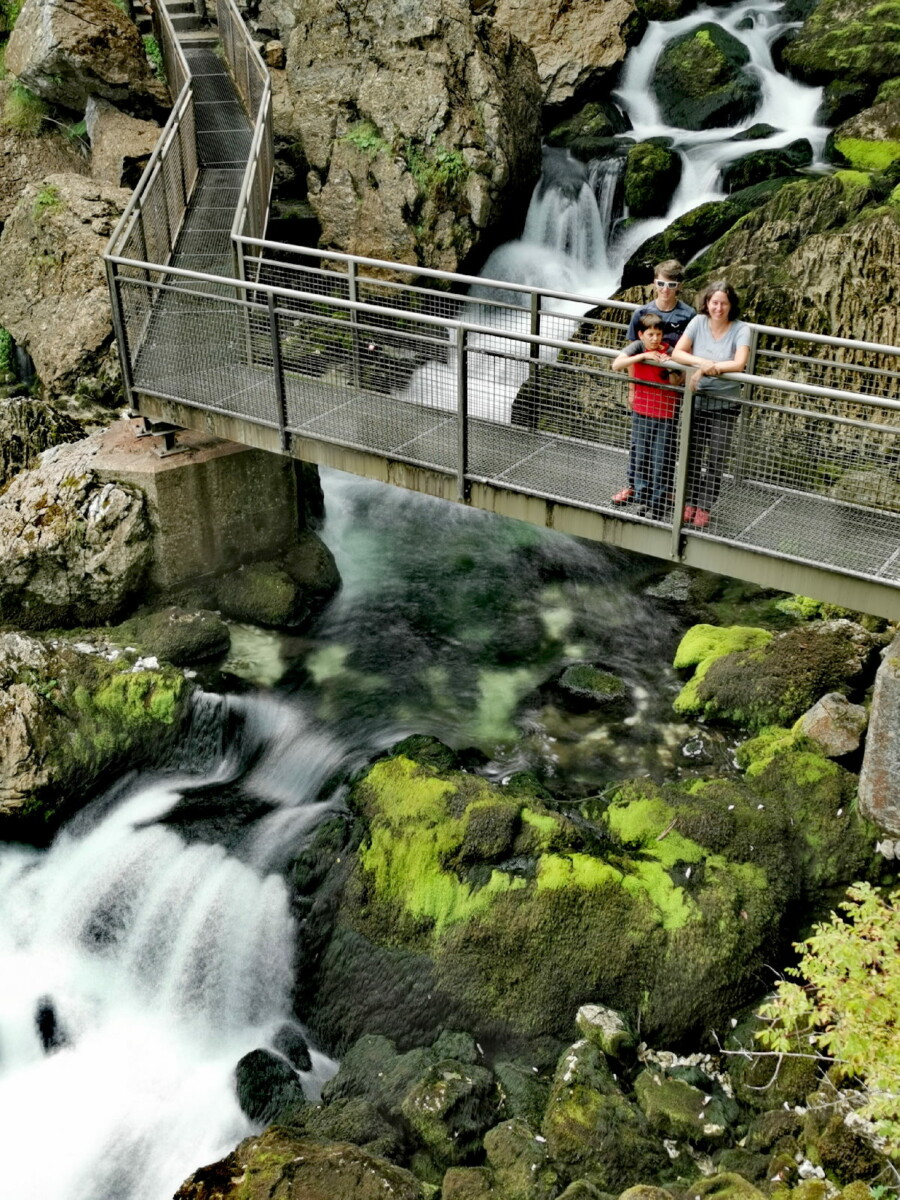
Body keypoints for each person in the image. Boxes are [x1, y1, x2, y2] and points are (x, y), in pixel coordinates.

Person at [612, 260, 695, 506]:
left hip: (670, 390)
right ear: (654, 282)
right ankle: (634, 486)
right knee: (639, 443)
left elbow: (689, 351)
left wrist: (680, 381)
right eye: (661, 283)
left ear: (679, 286)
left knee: (665, 445)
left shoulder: (688, 314)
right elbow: (628, 357)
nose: (665, 289)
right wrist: (631, 389)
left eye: (671, 284)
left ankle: (662, 491)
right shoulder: (641, 313)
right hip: (644, 389)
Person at [671, 280, 751, 530]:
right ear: (707, 303)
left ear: (731, 305)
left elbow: (739, 364)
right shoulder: (697, 323)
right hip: (697, 400)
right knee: (691, 454)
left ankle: (704, 506)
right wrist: (703, 363)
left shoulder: (741, 329)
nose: (718, 308)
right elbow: (677, 353)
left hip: (725, 403)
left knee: (716, 457)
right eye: (714, 302)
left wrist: (702, 371)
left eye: (724, 303)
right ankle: (689, 501)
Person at [611, 313, 684, 521]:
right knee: (642, 455)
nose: (655, 339)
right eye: (650, 334)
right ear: (641, 335)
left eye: (658, 334)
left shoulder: (668, 351)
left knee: (661, 457)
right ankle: (643, 497)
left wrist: (669, 365)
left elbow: (676, 381)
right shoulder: (637, 348)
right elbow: (616, 365)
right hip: (642, 410)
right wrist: (643, 357)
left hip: (665, 412)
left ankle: (658, 503)